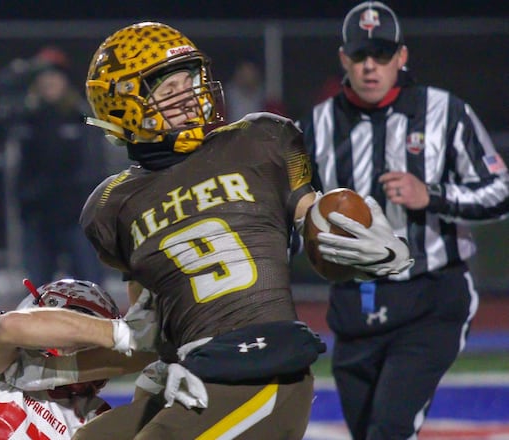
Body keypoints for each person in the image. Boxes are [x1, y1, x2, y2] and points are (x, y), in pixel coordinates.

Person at [73, 21, 412, 440]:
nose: (188, 94)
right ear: (122, 105)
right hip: (199, 372)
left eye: (189, 79)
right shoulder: (111, 205)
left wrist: (371, 247)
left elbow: (313, 218)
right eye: (168, 88)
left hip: (263, 364)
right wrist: (158, 362)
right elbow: (148, 319)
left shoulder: (259, 141)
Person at [298, 2, 509, 439]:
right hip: (354, 303)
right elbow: (291, 211)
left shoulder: (445, 113)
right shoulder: (317, 126)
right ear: (344, 59)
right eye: (360, 55)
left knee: (389, 430)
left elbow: (501, 191)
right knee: (368, 432)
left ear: (401, 56)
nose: (370, 66)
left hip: (431, 296)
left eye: (381, 54)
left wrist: (430, 195)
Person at [0, 278, 157, 439]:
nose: (77, 336)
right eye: (74, 322)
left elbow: (152, 425)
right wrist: (122, 334)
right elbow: (9, 328)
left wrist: (157, 369)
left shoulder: (92, 415)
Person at [16, 47, 108, 286]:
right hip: (39, 215)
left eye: (54, 75)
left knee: (89, 283)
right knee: (38, 288)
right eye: (42, 77)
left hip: (76, 215)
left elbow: (93, 165)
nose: (48, 82)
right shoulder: (28, 118)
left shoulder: (81, 116)